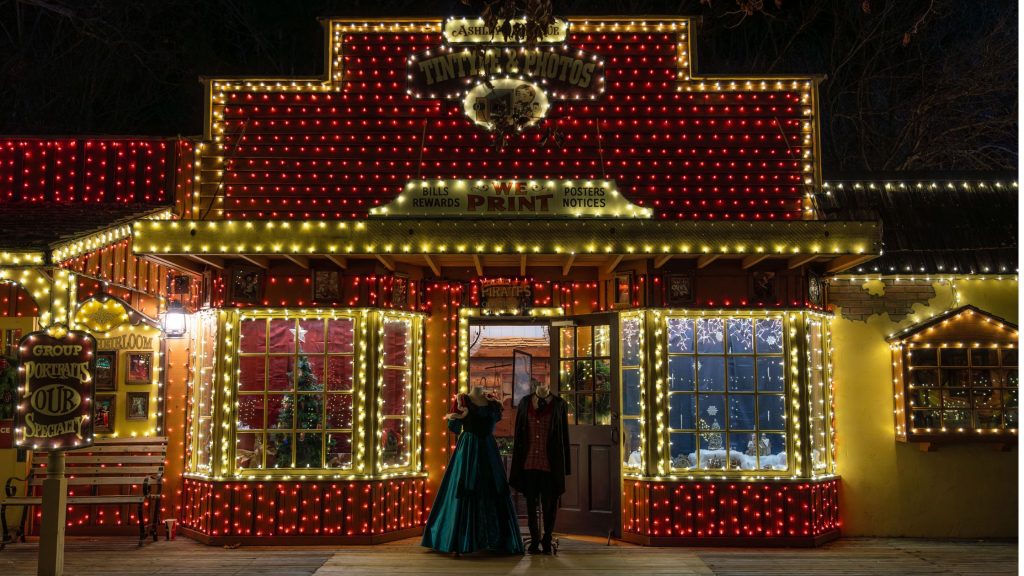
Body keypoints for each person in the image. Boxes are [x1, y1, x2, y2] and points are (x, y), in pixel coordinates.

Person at [421, 386, 524, 556]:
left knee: (492, 488)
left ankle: (497, 540)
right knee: (466, 487)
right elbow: (453, 425)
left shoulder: (493, 402)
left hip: (488, 450)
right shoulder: (463, 401)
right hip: (468, 450)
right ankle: (459, 540)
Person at [509, 380, 570, 555]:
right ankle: (534, 539)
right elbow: (519, 434)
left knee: (549, 505)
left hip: (550, 465)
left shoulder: (559, 405)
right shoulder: (525, 403)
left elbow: (563, 436)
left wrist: (565, 466)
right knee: (530, 504)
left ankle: (547, 538)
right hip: (528, 464)